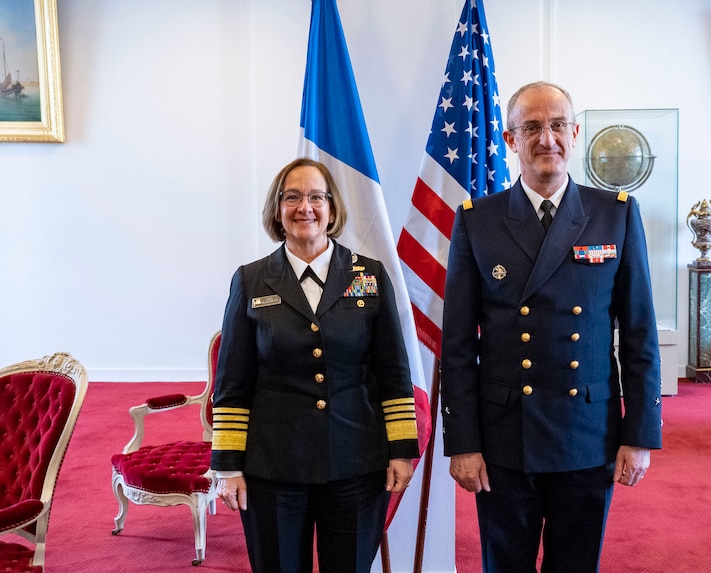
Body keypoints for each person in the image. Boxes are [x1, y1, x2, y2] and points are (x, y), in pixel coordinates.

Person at [440, 81, 663, 573]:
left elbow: (640, 335)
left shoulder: (615, 214)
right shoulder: (479, 221)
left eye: (558, 125)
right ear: (510, 140)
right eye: (532, 127)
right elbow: (456, 346)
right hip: (504, 438)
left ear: (575, 132)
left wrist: (640, 433)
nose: (547, 139)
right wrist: (463, 442)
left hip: (586, 432)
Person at [211, 157, 420, 573]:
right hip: (273, 469)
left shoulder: (369, 276)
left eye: (315, 197)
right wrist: (228, 465)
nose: (304, 207)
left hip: (356, 464)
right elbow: (233, 382)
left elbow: (394, 374)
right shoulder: (251, 280)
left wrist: (401, 452)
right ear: (277, 209)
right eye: (292, 197)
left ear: (332, 208)